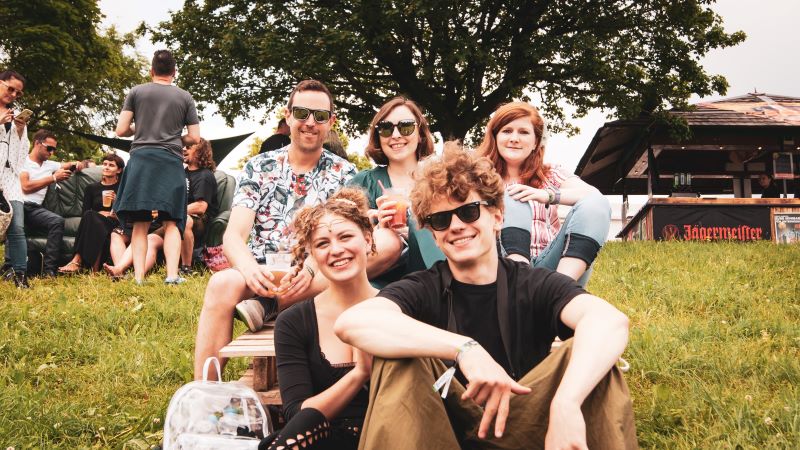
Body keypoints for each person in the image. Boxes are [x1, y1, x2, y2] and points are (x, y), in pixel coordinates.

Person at [335, 147, 636, 450]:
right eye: (440, 220)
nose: (456, 226)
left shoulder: (531, 282)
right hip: (444, 428)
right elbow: (353, 322)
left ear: (497, 216)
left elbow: (608, 321)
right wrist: (465, 349)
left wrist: (566, 404)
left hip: (524, 419)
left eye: (468, 211)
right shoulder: (425, 286)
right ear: (434, 235)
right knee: (398, 361)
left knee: (591, 358)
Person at [193, 79, 401, 380]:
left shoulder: (345, 173)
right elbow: (234, 235)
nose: (310, 123)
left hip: (319, 272)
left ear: (331, 122)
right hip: (265, 272)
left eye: (319, 116)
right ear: (288, 115)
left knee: (370, 253)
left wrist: (314, 269)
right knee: (221, 284)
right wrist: (251, 270)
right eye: (302, 113)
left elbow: (349, 235)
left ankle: (268, 306)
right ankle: (204, 392)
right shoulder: (259, 167)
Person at [259, 188, 376, 450]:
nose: (336, 250)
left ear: (367, 239)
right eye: (323, 243)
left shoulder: (399, 305)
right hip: (319, 439)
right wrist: (360, 374)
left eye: (346, 236)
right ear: (312, 253)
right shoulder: (293, 321)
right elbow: (297, 414)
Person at [477, 102, 611, 286]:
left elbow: (593, 197)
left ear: (536, 142)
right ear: (495, 137)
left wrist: (546, 195)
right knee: (510, 195)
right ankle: (522, 284)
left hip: (552, 267)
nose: (514, 138)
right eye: (507, 131)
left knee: (596, 204)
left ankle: (560, 289)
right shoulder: (477, 177)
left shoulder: (551, 173)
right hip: (500, 268)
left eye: (524, 132)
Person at [114, 49, 200, 285]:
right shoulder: (185, 97)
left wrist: (140, 128)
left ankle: (139, 277)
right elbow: (194, 137)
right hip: (169, 162)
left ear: (151, 71)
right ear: (174, 72)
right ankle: (172, 275)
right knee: (172, 221)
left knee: (140, 222)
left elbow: (121, 130)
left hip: (141, 160)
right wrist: (175, 137)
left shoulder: (136, 92)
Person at [348, 96, 444, 287]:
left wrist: (414, 231)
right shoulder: (363, 182)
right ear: (378, 137)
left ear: (421, 134)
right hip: (378, 284)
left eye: (406, 126)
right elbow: (337, 231)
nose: (396, 135)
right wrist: (371, 225)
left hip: (433, 279)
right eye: (386, 128)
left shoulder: (440, 181)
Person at [20, 129, 84, 277]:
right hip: (19, 205)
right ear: (37, 143)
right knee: (16, 226)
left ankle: (49, 270)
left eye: (54, 149)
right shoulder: (23, 161)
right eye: (49, 148)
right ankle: (10, 267)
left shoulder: (50, 165)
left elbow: (66, 164)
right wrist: (53, 178)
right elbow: (26, 187)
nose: (52, 152)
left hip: (35, 209)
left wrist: (77, 164)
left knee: (57, 221)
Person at [58, 153, 125, 273]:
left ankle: (76, 261)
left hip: (114, 223)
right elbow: (85, 212)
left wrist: (117, 202)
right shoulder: (91, 188)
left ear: (119, 170)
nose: (106, 167)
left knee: (92, 219)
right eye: (104, 164)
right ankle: (92, 271)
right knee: (91, 217)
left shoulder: (122, 188)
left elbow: (127, 214)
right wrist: (99, 213)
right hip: (95, 222)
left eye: (111, 165)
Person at [0, 70, 32, 288]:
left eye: (17, 93)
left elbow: (21, 157)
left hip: (10, 178)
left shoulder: (14, 116)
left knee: (17, 226)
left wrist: (20, 131)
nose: (12, 95)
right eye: (9, 88)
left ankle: (20, 274)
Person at [180, 138, 217, 274]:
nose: (184, 149)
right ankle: (120, 269)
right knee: (151, 238)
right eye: (183, 147)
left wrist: (174, 211)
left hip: (201, 220)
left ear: (200, 152)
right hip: (178, 217)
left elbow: (201, 207)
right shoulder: (181, 173)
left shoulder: (204, 175)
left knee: (184, 221)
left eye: (189, 147)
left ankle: (186, 268)